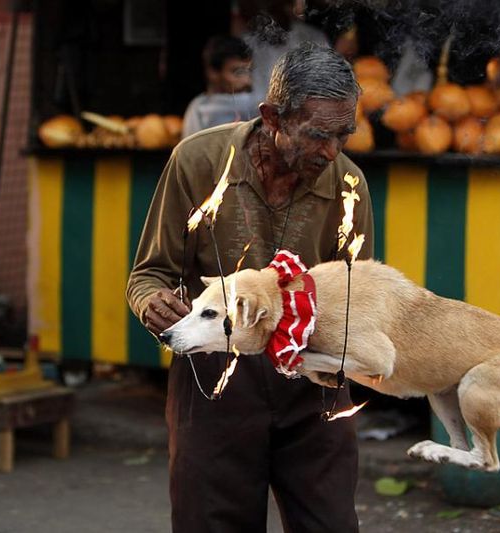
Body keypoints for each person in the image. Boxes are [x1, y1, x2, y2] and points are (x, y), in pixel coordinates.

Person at [127, 42, 374, 532]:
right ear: (272, 117)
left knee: (329, 522)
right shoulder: (199, 163)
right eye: (318, 135)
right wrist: (152, 302)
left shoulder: (347, 184)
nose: (332, 151)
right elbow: (149, 273)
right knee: (212, 521)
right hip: (214, 378)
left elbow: (358, 298)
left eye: (344, 134)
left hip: (313, 380)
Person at [242, 0, 330, 106]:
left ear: (287, 7)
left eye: (274, 8)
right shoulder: (250, 43)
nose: (269, 16)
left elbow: (325, 79)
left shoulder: (312, 37)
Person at [181, 35, 256, 138]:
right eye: (237, 72)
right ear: (213, 72)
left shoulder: (257, 106)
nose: (247, 81)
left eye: (249, 72)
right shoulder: (199, 110)